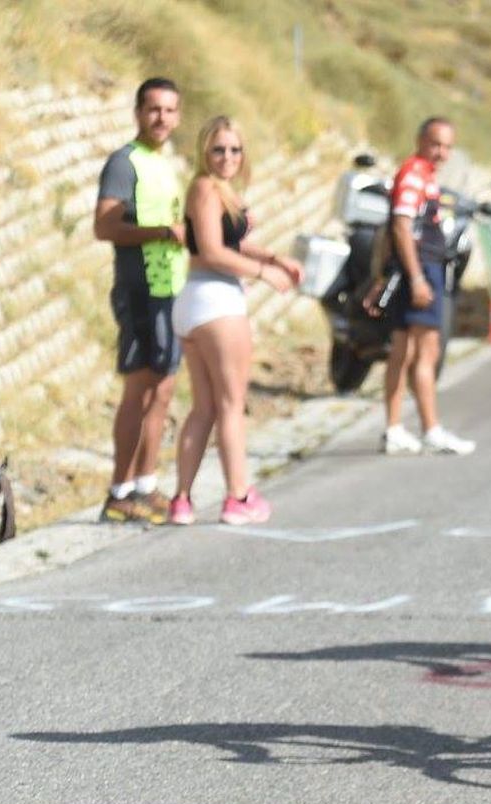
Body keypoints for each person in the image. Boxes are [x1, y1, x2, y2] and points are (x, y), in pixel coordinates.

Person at [167, 117, 302, 526]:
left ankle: (182, 501)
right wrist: (263, 274)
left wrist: (273, 257)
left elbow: (230, 241)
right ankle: (237, 496)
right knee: (231, 406)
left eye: (234, 149)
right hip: (217, 302)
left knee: (205, 406)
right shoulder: (206, 187)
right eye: (218, 150)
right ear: (204, 153)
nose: (227, 157)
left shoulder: (219, 191)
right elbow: (210, 250)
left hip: (195, 305)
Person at [94, 77, 187, 524]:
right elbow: (104, 227)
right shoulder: (123, 162)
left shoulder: (163, 164)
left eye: (170, 110)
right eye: (153, 109)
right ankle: (119, 491)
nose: (161, 118)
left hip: (170, 290)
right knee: (140, 388)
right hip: (139, 290)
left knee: (163, 390)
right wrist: (165, 233)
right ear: (137, 113)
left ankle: (146, 486)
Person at [365, 116, 475, 455]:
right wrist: (416, 278)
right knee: (425, 352)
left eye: (447, 146)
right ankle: (430, 428)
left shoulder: (422, 175)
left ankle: (395, 428)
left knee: (403, 351)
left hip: (412, 267)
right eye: (435, 144)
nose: (441, 152)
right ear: (420, 140)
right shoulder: (414, 173)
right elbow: (400, 226)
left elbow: (395, 226)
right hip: (420, 268)